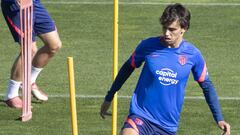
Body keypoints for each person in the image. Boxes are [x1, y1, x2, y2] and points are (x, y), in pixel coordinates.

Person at [100, 3, 230, 135]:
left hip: (167, 126)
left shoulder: (193, 55)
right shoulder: (148, 46)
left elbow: (206, 85)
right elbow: (127, 68)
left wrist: (219, 118)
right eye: (164, 28)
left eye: (172, 29)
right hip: (141, 116)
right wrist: (109, 96)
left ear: (183, 28)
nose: (166, 33)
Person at [1, 0, 62, 108]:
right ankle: (11, 95)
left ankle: (28, 82)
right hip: (15, 5)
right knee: (29, 48)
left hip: (33, 3)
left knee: (54, 45)